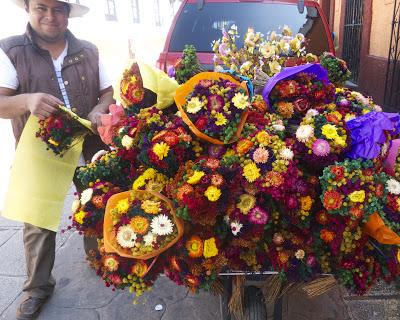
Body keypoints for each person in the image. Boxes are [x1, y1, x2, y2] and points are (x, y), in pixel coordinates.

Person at [0, 0, 114, 319]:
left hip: (88, 141)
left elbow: (107, 92)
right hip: (40, 148)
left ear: (68, 13)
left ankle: (101, 259)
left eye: (59, 8)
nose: (50, 16)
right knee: (37, 219)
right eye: (41, 7)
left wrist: (98, 110)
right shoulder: (10, 51)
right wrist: (28, 100)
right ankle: (37, 287)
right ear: (28, 9)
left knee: (96, 203)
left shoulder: (89, 50)